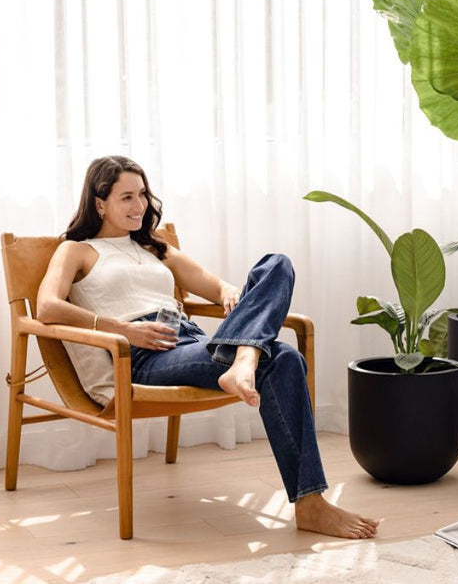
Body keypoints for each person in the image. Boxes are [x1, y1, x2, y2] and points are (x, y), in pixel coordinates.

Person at [37, 155, 378, 540]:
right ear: (100, 203)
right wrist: (124, 330)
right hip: (148, 354)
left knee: (276, 264)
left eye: (143, 195)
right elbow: (47, 306)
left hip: (194, 339)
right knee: (284, 357)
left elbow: (216, 287)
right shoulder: (76, 250)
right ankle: (310, 502)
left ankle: (244, 359)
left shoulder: (154, 247)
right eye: (126, 197)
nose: (139, 206)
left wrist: (237, 296)